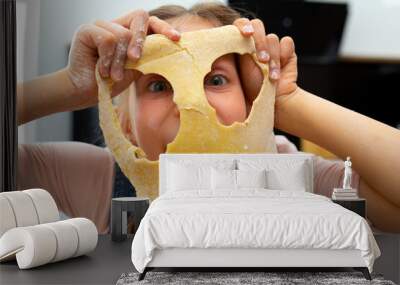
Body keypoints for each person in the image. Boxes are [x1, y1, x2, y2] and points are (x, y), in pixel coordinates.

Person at [17, 3, 400, 233]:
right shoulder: (99, 179)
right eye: (158, 85)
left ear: (249, 102)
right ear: (126, 126)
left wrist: (284, 102)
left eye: (216, 80)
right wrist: (67, 87)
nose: (189, 101)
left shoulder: (296, 174)